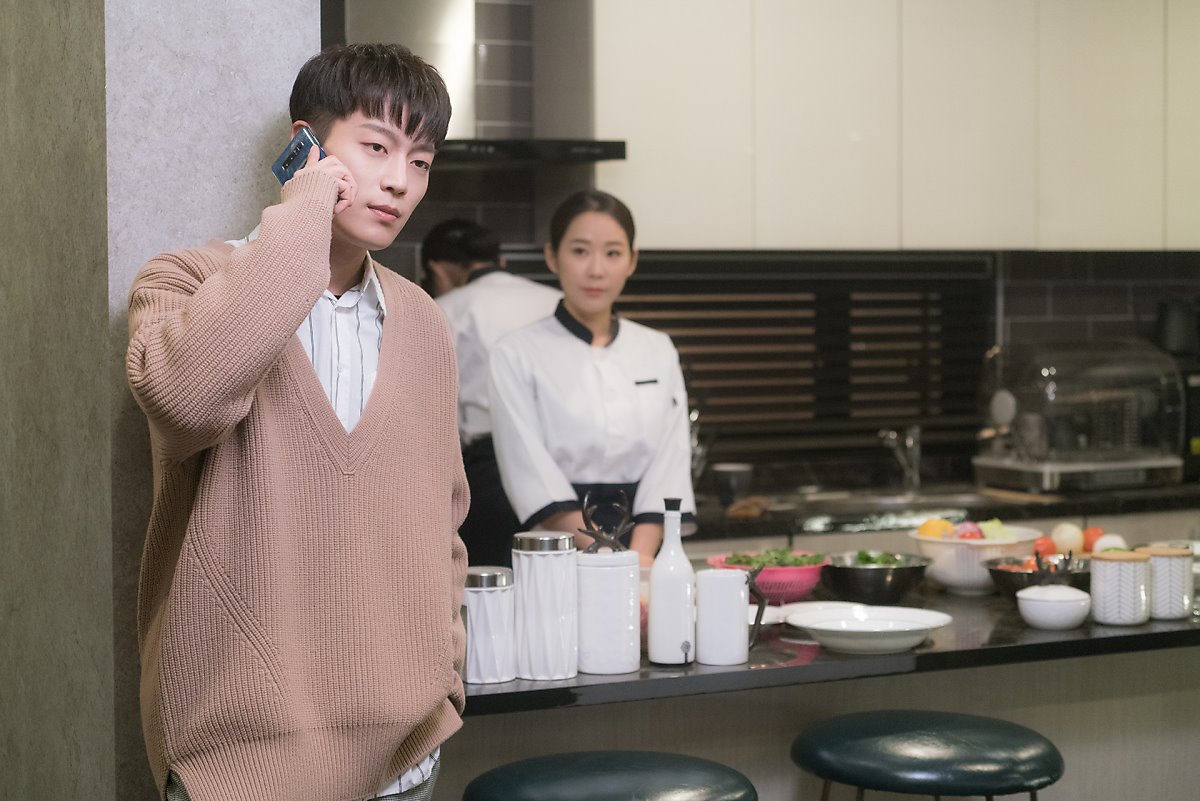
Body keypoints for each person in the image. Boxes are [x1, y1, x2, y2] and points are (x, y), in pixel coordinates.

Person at [125, 43, 468, 801]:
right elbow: (185, 401)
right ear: (305, 143)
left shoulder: (423, 321)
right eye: (376, 148)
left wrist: (444, 679)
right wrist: (306, 205)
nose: (400, 181)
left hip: (406, 760)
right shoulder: (181, 281)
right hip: (238, 770)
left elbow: (443, 522)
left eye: (421, 162)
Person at [488, 190, 696, 566]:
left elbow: (671, 460)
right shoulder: (515, 353)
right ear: (553, 256)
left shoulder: (657, 348)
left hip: (644, 547)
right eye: (580, 251)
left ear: (632, 261)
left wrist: (640, 559)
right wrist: (608, 558)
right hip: (555, 548)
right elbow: (529, 470)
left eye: (613, 253)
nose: (596, 270)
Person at [421, 219, 561, 566]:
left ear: (438, 269)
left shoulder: (446, 309)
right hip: (562, 459)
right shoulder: (556, 301)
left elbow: (434, 409)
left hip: (489, 468)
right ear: (500, 260)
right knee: (558, 577)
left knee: (491, 583)